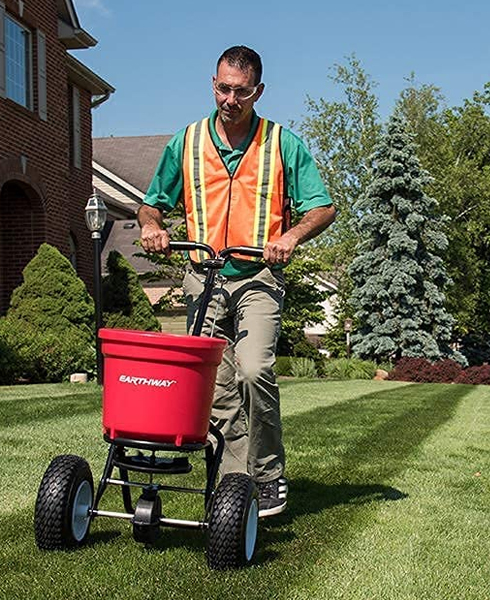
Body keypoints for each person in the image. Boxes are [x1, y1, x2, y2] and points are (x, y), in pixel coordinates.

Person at [138, 45, 335, 517]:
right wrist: (151, 225)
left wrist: (290, 236)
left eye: (241, 92)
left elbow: (323, 207)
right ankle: (233, 483)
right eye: (223, 88)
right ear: (213, 84)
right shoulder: (186, 142)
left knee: (253, 370)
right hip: (202, 277)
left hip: (258, 277)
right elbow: (151, 202)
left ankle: (268, 475)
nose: (230, 99)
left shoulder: (281, 143)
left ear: (258, 92)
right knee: (217, 385)